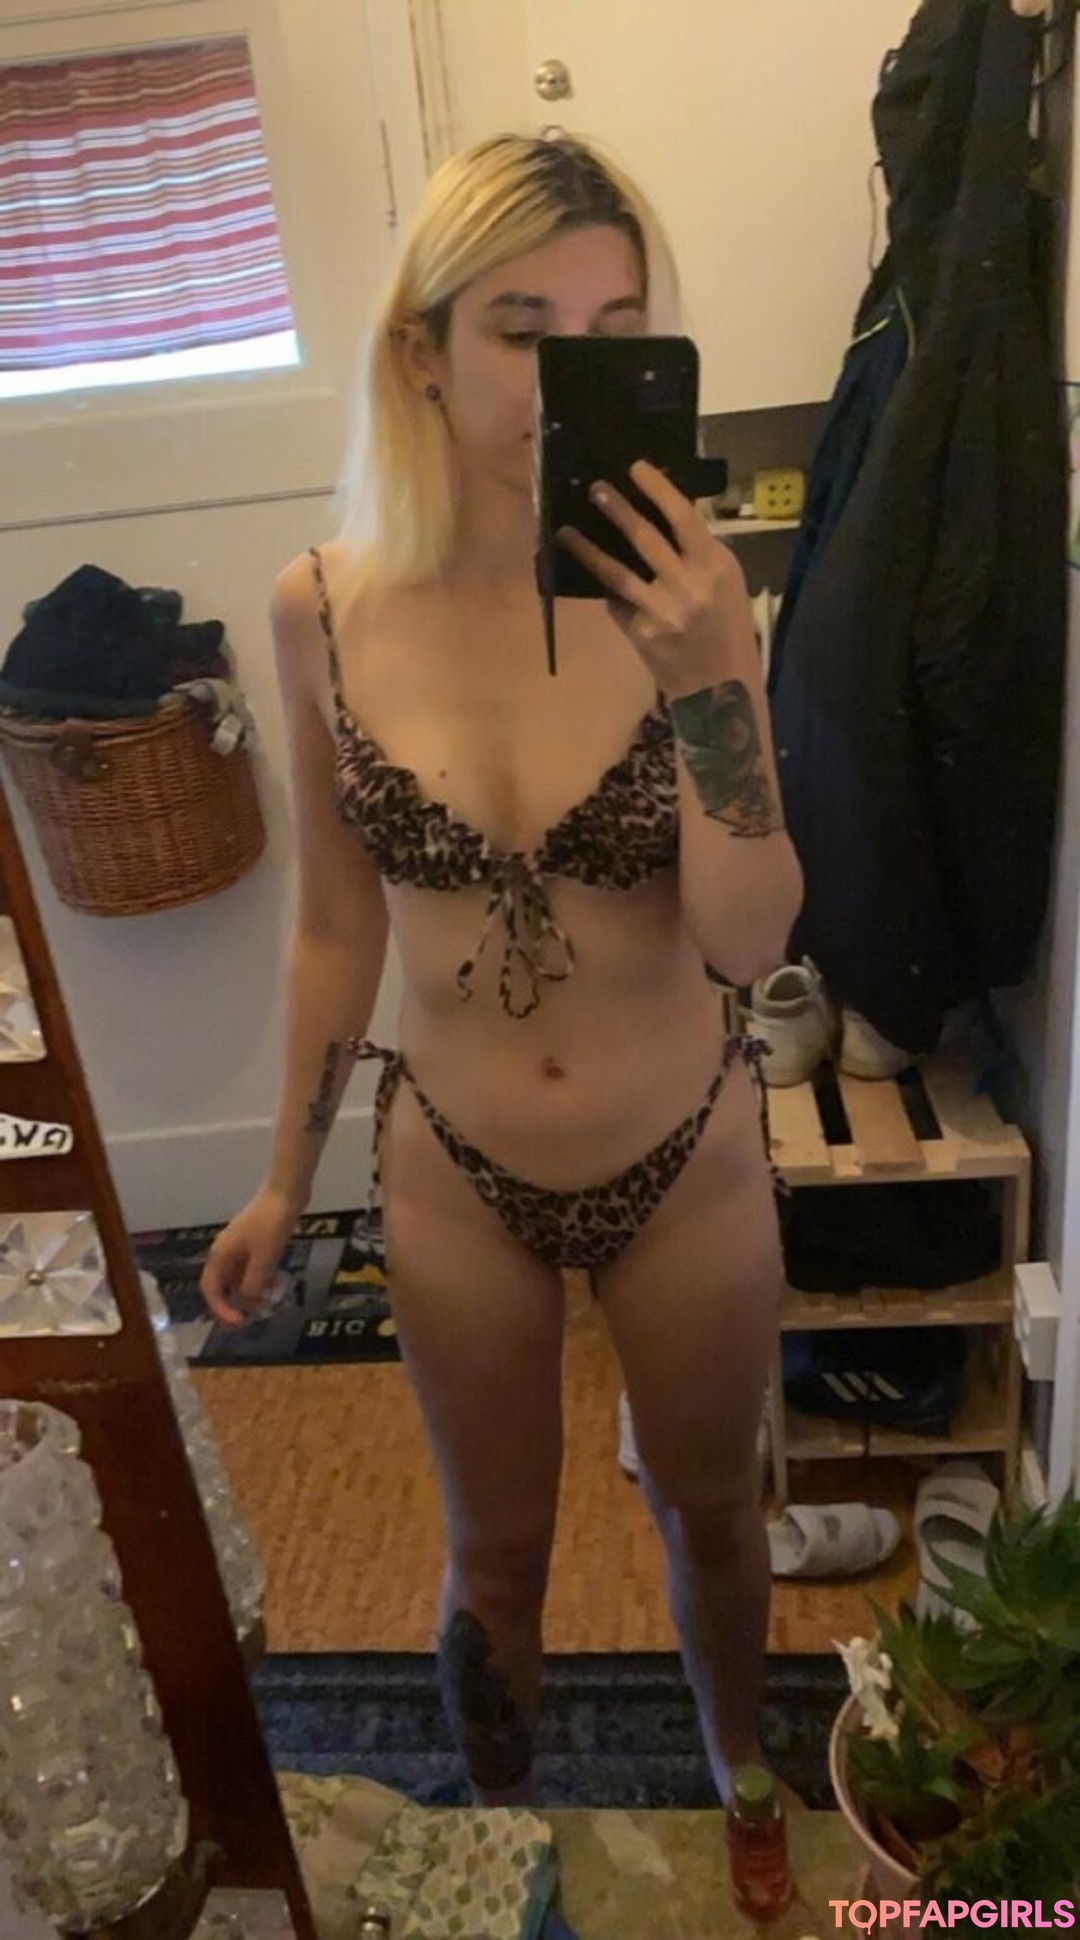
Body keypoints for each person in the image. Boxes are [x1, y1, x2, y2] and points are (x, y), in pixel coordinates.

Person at [200, 132, 803, 1808]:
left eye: (617, 330)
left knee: (713, 1514)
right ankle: (498, 1835)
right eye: (525, 329)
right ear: (424, 351)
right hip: (456, 1169)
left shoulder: (692, 599)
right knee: (495, 1556)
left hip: (686, 1150)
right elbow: (338, 925)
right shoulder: (321, 610)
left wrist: (708, 679)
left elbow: (753, 937)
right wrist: (280, 1180)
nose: (570, 376)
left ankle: (741, 1776)